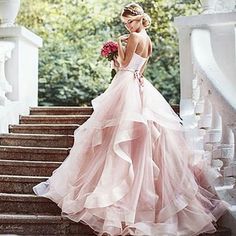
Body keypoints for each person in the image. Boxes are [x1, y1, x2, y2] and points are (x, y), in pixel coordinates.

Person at [33, 3, 230, 236]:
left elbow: (125, 66)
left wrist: (118, 43)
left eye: (130, 21)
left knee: (118, 134)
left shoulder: (135, 37)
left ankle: (116, 195)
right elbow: (141, 70)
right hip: (140, 85)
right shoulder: (149, 40)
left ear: (138, 19)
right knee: (135, 135)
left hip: (126, 84)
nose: (127, 26)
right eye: (125, 23)